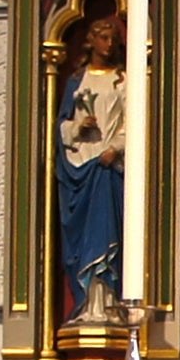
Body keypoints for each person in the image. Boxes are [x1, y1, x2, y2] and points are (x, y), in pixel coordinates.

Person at [56, 16, 126, 322]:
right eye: (104, 38)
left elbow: (133, 122)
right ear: (92, 40)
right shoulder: (76, 80)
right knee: (84, 240)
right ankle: (87, 305)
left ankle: (107, 304)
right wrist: (77, 127)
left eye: (113, 39)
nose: (109, 45)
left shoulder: (121, 81)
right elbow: (61, 125)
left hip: (107, 168)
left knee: (107, 234)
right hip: (80, 166)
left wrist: (115, 148)